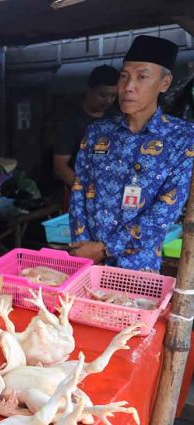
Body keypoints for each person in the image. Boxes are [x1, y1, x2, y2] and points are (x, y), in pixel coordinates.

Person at [70, 35, 194, 272]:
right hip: (87, 262)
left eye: (142, 77)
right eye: (123, 76)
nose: (128, 87)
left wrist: (105, 248)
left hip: (137, 267)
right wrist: (83, 247)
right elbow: (79, 190)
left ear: (164, 83)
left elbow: (164, 211)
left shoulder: (183, 138)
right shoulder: (98, 132)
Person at [53, 65, 119, 191]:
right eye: (103, 95)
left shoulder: (116, 118)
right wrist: (86, 191)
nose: (108, 101)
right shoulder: (71, 121)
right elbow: (60, 166)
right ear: (89, 91)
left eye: (113, 96)